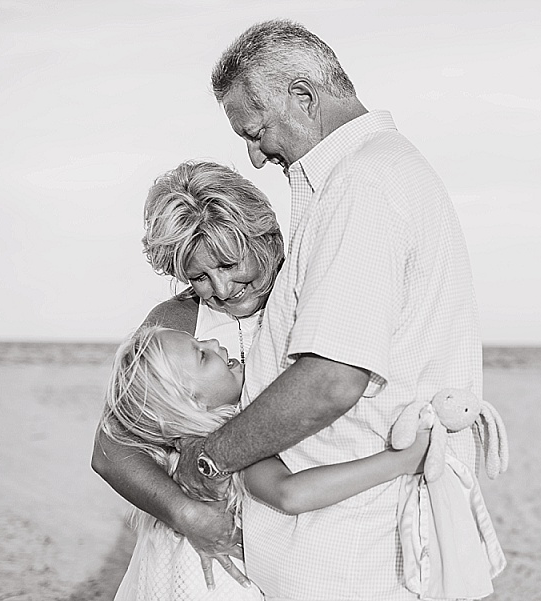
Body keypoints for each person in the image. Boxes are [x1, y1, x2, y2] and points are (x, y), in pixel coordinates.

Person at [170, 19, 505, 601]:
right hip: (360, 545)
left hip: (356, 557)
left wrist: (211, 458)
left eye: (256, 130)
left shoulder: (363, 186)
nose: (253, 157)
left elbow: (332, 379)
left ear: (304, 96)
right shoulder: (384, 171)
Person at [101, 325, 430, 600]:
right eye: (202, 354)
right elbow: (290, 494)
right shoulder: (221, 449)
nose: (215, 342)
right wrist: (400, 461)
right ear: (191, 402)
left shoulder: (174, 458)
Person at [91, 160, 285, 588]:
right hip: (203, 563)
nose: (221, 288)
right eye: (199, 275)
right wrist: (188, 514)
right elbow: (110, 449)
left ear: (264, 236)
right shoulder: (175, 323)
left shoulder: (304, 294)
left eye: (232, 264)